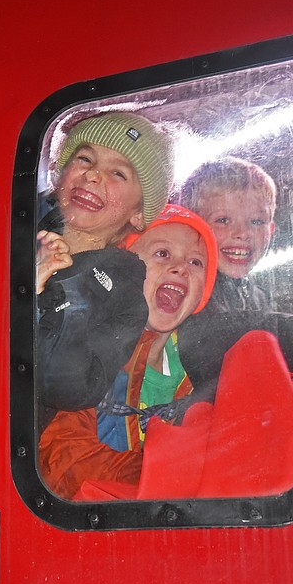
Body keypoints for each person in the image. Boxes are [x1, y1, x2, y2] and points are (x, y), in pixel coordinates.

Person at [37, 205, 218, 500]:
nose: (180, 268)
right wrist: (167, 480)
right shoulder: (90, 345)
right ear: (125, 270)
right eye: (162, 254)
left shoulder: (200, 366)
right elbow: (63, 458)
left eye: (197, 263)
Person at [34, 111, 174, 419]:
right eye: (85, 159)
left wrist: (53, 296)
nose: (94, 175)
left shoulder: (123, 297)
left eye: (119, 174)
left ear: (138, 215)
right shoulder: (13, 223)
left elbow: (71, 389)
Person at [173, 157, 293, 399]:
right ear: (193, 225)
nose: (243, 233)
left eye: (256, 221)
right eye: (224, 220)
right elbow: (216, 350)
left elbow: (261, 323)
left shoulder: (254, 293)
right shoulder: (188, 284)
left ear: (271, 230)